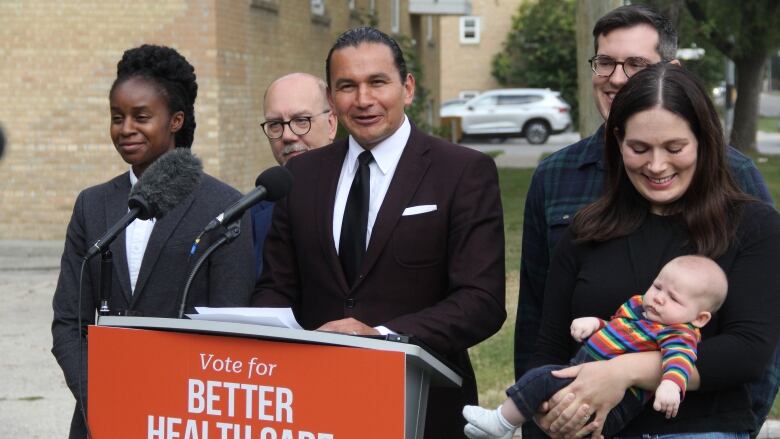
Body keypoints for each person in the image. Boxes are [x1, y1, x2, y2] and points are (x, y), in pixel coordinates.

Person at [513, 5, 776, 437]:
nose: (656, 165)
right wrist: (548, 410)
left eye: (674, 147)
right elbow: (544, 342)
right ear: (618, 143)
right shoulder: (585, 229)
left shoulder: (751, 224)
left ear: (703, 141)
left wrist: (624, 372)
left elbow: (751, 351)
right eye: (639, 149)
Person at [252, 27, 506, 438]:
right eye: (347, 86)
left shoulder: (462, 171)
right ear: (333, 100)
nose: (364, 99)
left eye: (378, 82)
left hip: (423, 406)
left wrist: (383, 336)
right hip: (313, 405)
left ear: (407, 88)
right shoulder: (302, 174)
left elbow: (482, 301)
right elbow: (276, 286)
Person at [51, 44, 255, 439]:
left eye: (141, 116)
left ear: (176, 120)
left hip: (185, 416)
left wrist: (168, 403)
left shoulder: (224, 206)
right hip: (102, 417)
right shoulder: (92, 205)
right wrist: (101, 396)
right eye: (116, 117)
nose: (126, 128)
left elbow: (231, 328)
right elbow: (68, 322)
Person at [464, 255, 728, 439]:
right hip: (581, 379)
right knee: (547, 384)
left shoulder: (678, 332)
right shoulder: (640, 310)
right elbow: (616, 329)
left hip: (615, 403)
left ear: (699, 318)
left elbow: (680, 360)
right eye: (658, 286)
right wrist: (595, 325)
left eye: (673, 298)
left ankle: (502, 423)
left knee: (542, 379)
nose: (658, 298)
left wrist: (672, 385)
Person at [251, 72, 337, 277]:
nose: (287, 135)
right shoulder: (250, 216)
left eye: (301, 120)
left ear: (331, 124)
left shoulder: (367, 196)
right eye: (275, 124)